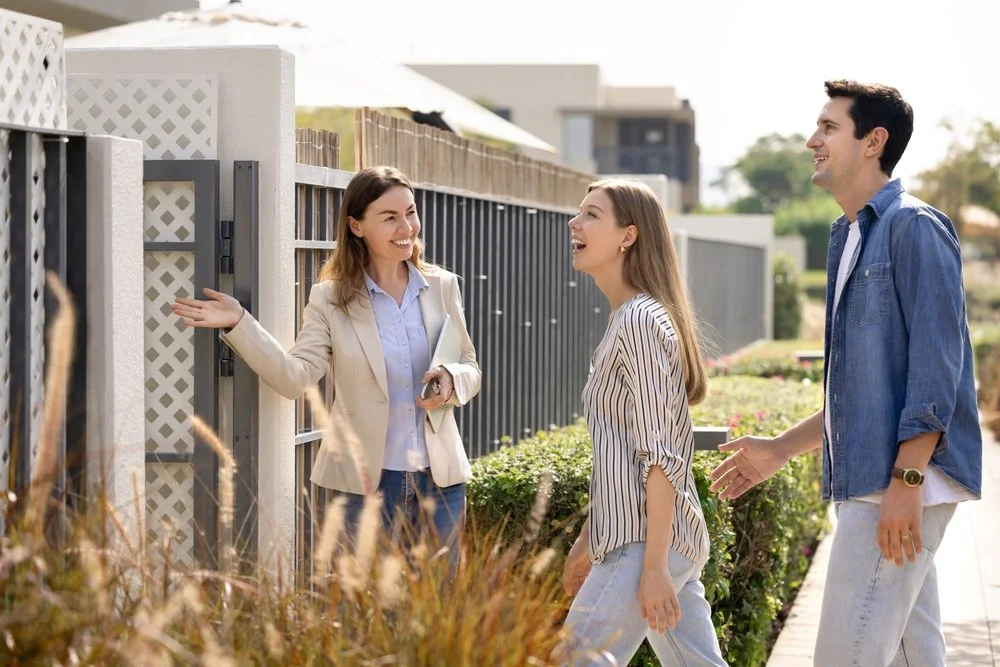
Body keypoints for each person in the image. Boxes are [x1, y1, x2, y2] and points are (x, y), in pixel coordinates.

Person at [709, 80, 982, 666]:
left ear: (873, 141)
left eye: (829, 128)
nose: (813, 140)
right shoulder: (850, 235)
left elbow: (937, 369)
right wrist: (781, 448)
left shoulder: (914, 227)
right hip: (879, 479)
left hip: (895, 484)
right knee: (914, 654)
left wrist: (907, 483)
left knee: (844, 656)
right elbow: (860, 391)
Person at [171, 166, 481, 571]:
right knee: (364, 616)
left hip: (440, 482)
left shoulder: (442, 287)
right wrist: (239, 323)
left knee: (439, 618)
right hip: (363, 487)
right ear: (356, 226)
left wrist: (451, 380)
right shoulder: (331, 300)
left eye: (410, 212)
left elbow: (470, 366)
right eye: (389, 218)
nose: (406, 227)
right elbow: (293, 376)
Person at [558, 179, 727, 666]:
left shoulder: (638, 321)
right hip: (650, 540)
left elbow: (661, 456)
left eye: (591, 215)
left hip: (644, 545)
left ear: (627, 236)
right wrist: (589, 539)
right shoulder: (630, 319)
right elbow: (622, 452)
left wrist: (652, 567)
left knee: (572, 660)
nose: (575, 223)